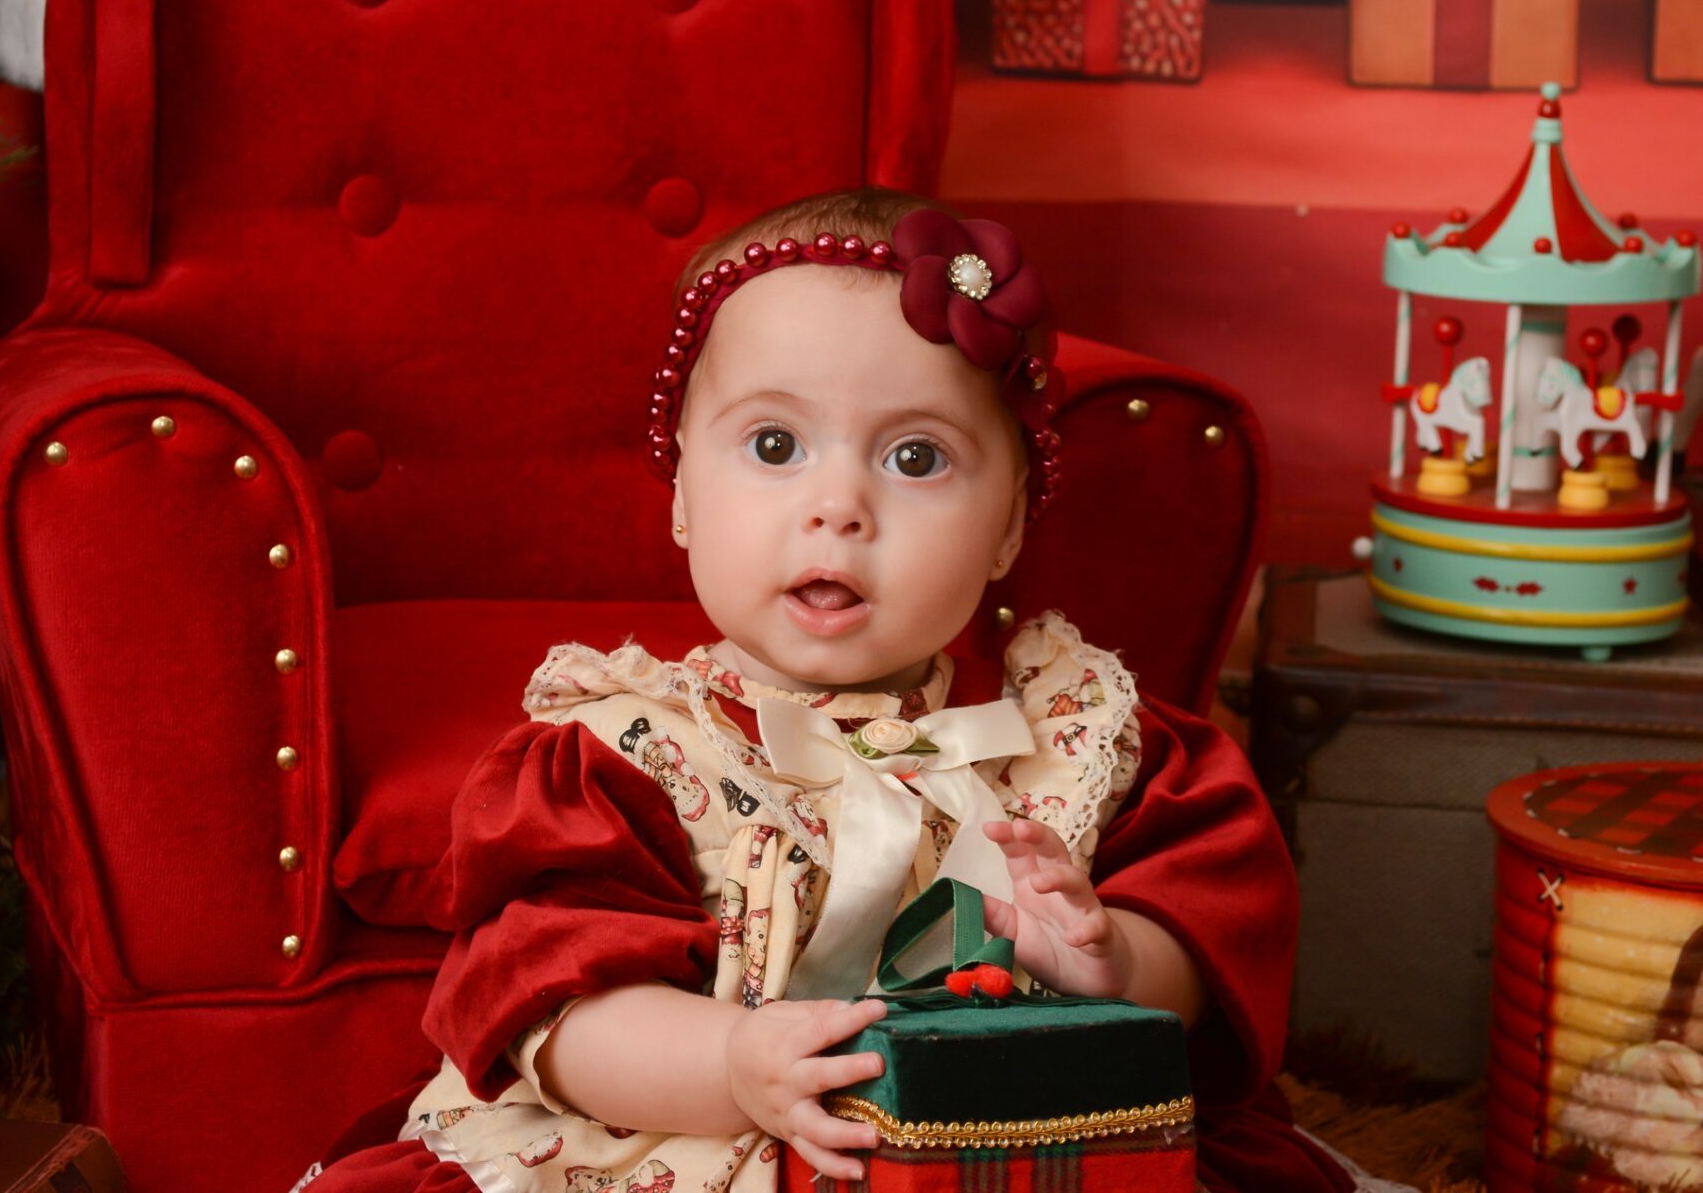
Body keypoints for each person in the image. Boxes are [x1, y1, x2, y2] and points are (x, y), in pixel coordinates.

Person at [304, 189, 1355, 1193]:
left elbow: (1216, 917)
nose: (839, 505)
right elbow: (554, 1011)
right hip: (693, 1144)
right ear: (681, 493)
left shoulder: (1070, 731)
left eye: (915, 456)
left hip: (1005, 1148)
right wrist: (731, 1064)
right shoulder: (623, 756)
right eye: (776, 446)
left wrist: (1116, 959)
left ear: (1008, 527)